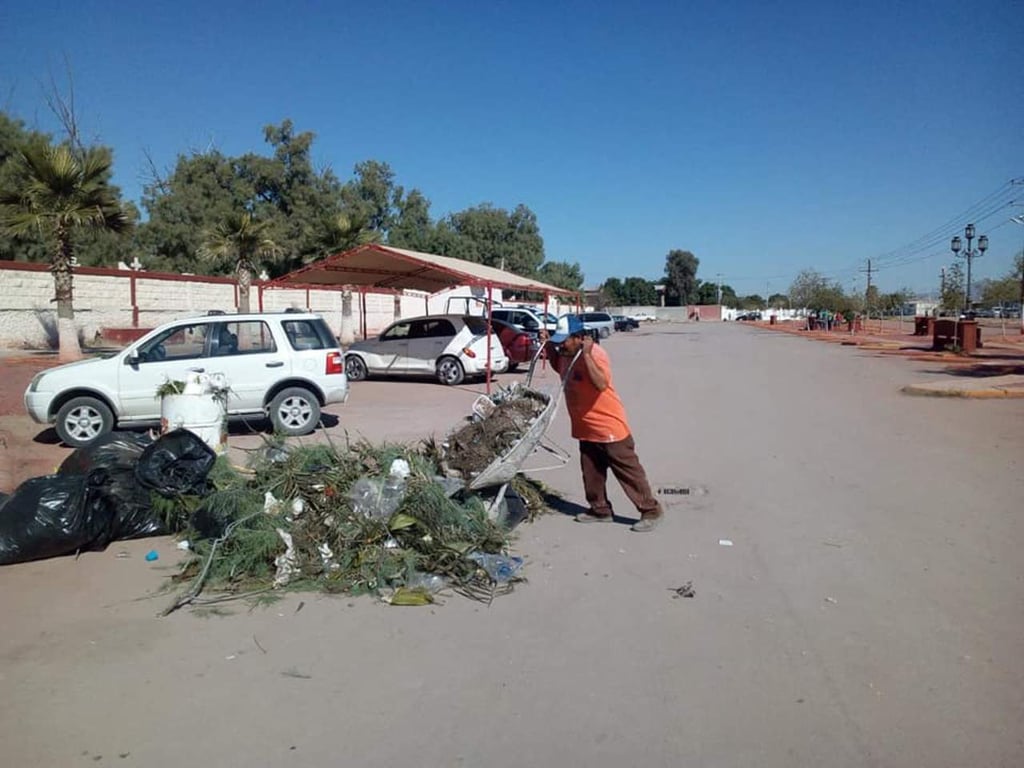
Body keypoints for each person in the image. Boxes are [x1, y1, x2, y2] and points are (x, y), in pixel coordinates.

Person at [540, 316, 664, 532]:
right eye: (558, 341)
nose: (561, 346)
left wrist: (586, 355)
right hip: (584, 427)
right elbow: (559, 367)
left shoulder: (596, 354)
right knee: (591, 473)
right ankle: (600, 510)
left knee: (629, 473)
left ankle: (651, 511)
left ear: (579, 338)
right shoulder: (565, 353)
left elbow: (600, 383)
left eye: (564, 341)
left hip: (609, 428)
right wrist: (549, 345)